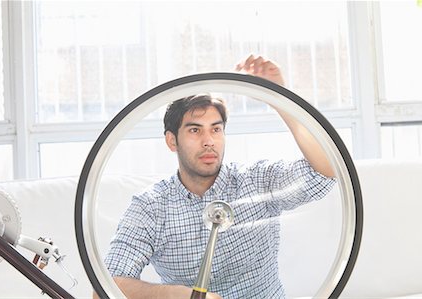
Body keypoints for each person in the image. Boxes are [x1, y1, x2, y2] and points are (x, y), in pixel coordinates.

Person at [102, 54, 336, 299]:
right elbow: (105, 288)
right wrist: (174, 295)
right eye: (195, 130)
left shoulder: (256, 181)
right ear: (172, 141)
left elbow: (328, 169)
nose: (208, 141)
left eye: (216, 129)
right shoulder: (150, 207)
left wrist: (280, 97)